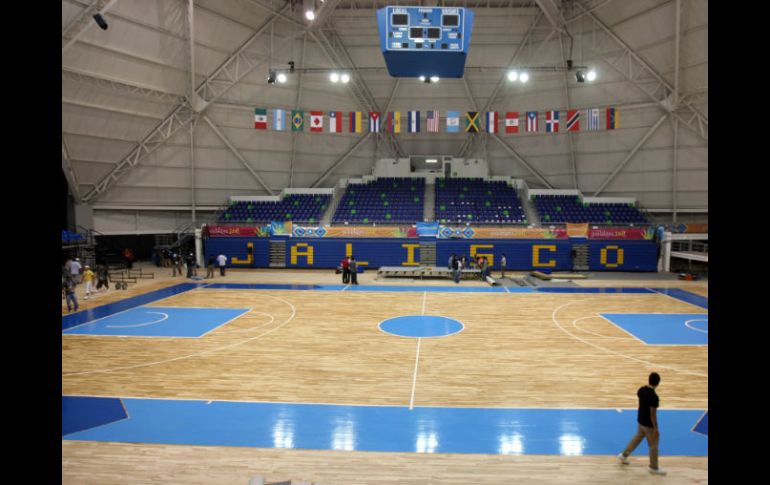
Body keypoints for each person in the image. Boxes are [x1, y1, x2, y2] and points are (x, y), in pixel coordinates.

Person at [618, 372, 667, 475]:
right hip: (648, 425)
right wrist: (656, 429)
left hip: (640, 421)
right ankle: (654, 468)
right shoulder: (654, 397)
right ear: (658, 383)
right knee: (653, 445)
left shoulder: (641, 390)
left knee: (637, 438)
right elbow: (653, 414)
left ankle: (624, 455)